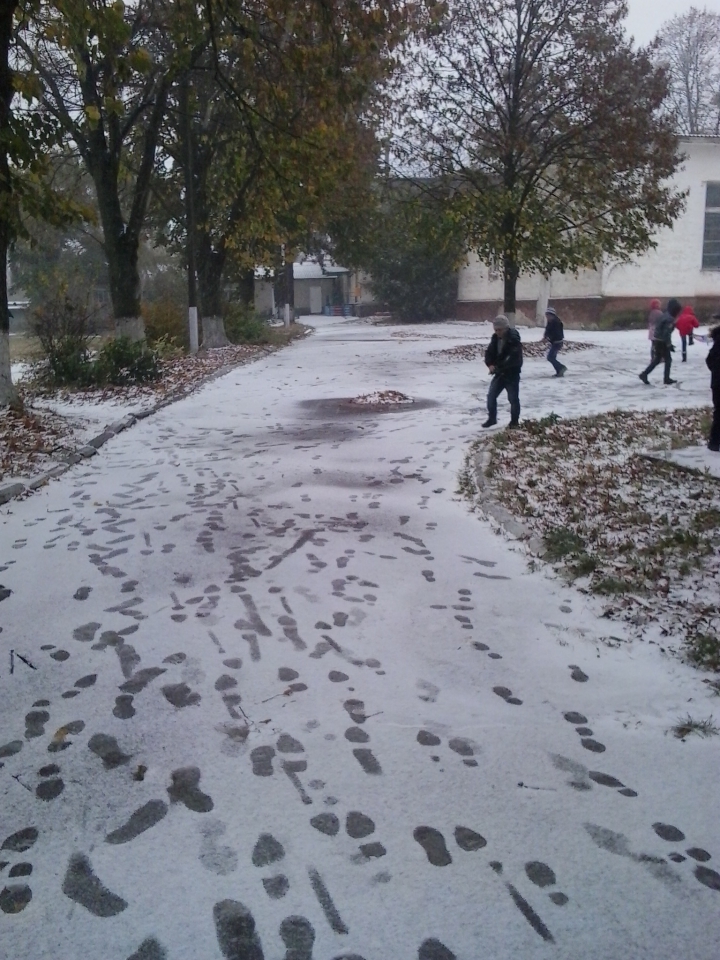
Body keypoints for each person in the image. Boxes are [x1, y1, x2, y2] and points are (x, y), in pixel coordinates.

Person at [483, 315, 523, 428]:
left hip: (512, 374)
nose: (497, 332)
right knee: (491, 396)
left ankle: (514, 422)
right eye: (495, 330)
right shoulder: (495, 338)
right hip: (499, 373)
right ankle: (492, 418)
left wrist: (499, 367)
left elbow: (513, 359)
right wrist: (490, 364)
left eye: (499, 330)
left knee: (513, 399)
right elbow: (489, 352)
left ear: (506, 328)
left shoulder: (513, 340)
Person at [639, 298, 681, 386]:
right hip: (662, 342)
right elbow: (666, 333)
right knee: (668, 360)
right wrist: (669, 345)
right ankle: (666, 378)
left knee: (657, 359)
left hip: (657, 339)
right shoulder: (669, 319)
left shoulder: (665, 315)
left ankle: (644, 374)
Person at [707, 318, 720, 452]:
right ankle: (714, 442)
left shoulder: (717, 343)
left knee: (718, 412)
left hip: (716, 382)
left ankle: (714, 442)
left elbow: (709, 360)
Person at [543, 306, 566, 377]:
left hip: (558, 342)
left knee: (550, 357)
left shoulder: (557, 323)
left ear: (552, 315)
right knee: (551, 357)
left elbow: (557, 334)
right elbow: (547, 330)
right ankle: (559, 370)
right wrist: (545, 337)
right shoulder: (550, 322)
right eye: (546, 315)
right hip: (554, 342)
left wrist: (549, 338)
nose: (547, 317)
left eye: (548, 315)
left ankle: (561, 368)